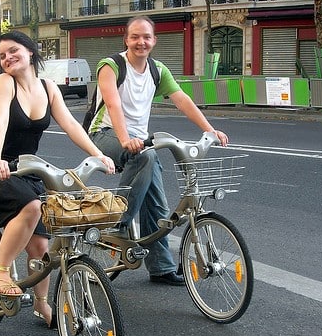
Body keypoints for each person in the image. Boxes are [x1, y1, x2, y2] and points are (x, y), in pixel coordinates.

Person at [0, 31, 115, 329]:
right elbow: (0, 123)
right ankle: (1, 272)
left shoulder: (49, 88)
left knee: (41, 246)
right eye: (2, 55)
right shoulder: (4, 84)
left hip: (27, 169)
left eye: (13, 50)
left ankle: (41, 303)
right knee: (32, 207)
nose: (7, 58)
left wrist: (98, 154)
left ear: (31, 51)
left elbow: (71, 124)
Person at [88, 15, 229, 286]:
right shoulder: (111, 66)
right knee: (146, 156)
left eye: (146, 37)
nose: (141, 42)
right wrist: (126, 138)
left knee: (157, 205)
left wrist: (209, 129)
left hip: (140, 142)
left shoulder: (157, 70)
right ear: (126, 40)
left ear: (154, 40)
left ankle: (162, 267)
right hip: (105, 135)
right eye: (135, 37)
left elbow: (182, 100)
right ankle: (118, 222)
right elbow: (113, 104)